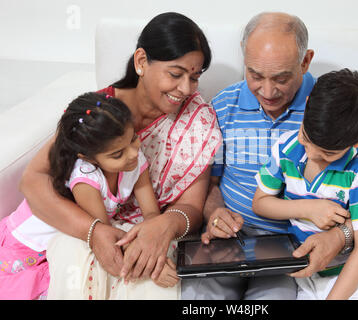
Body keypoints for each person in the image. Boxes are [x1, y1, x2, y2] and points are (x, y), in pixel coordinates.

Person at [181, 12, 358, 300]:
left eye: (280, 78)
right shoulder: (224, 105)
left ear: (305, 61)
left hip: (286, 246)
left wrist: (342, 234)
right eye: (255, 74)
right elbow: (210, 185)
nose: (267, 91)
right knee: (199, 300)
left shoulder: (328, 110)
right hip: (227, 241)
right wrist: (213, 213)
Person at [19, 12, 221, 299]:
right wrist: (95, 232)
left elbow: (192, 206)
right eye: (175, 74)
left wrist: (163, 226)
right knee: (74, 263)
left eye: (195, 77)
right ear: (141, 61)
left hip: (153, 230)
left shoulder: (198, 122)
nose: (186, 89)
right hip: (93, 221)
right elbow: (33, 179)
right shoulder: (99, 111)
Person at [253, 69, 358, 299]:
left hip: (350, 276)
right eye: (306, 137)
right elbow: (260, 203)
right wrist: (307, 208)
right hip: (303, 273)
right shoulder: (286, 148)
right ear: (308, 103)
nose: (311, 153)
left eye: (328, 153)